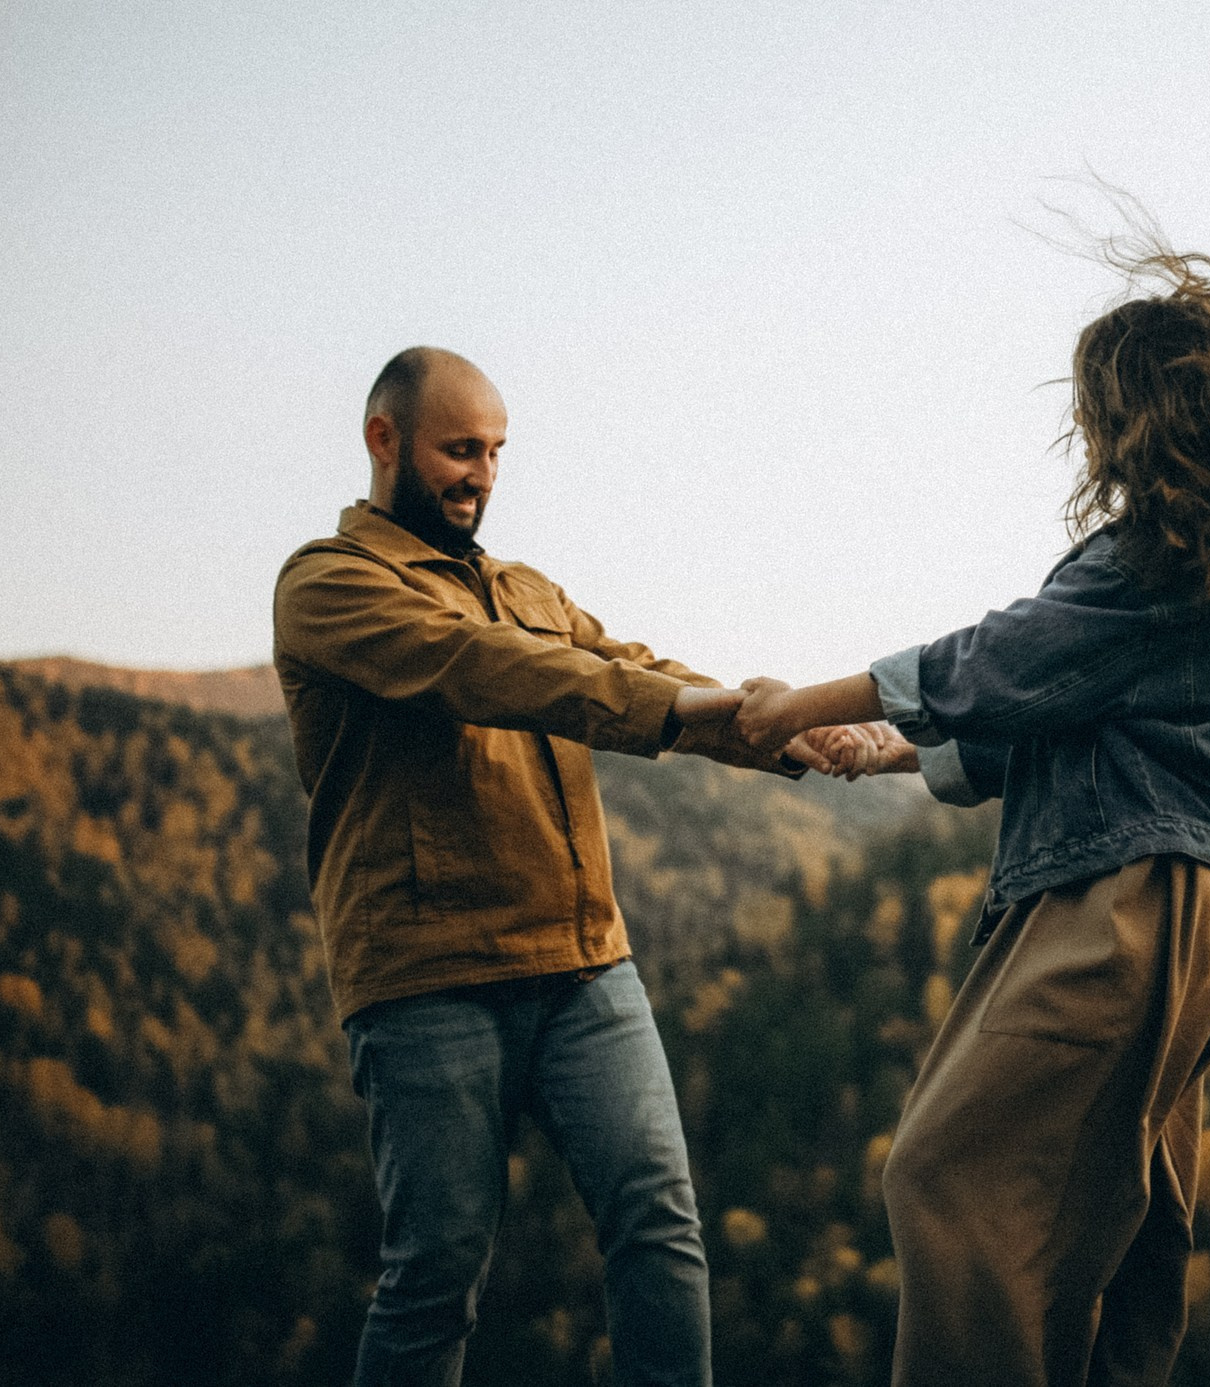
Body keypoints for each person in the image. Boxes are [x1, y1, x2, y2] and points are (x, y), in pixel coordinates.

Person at [733, 235, 1210, 1387]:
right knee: (1124, 1222)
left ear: (1123, 418)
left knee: (945, 1177)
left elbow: (1003, 657)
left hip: (1122, 906)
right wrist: (890, 751)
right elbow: (1065, 709)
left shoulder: (1153, 558)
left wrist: (801, 702)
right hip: (1188, 908)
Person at [272, 346, 848, 1387]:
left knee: (660, 1227)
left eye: (495, 452)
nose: (481, 474)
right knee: (436, 1275)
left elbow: (629, 669)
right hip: (428, 978)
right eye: (458, 449)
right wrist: (692, 711)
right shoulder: (327, 584)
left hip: (585, 965)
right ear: (383, 440)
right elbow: (488, 671)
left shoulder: (526, 588)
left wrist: (792, 727)